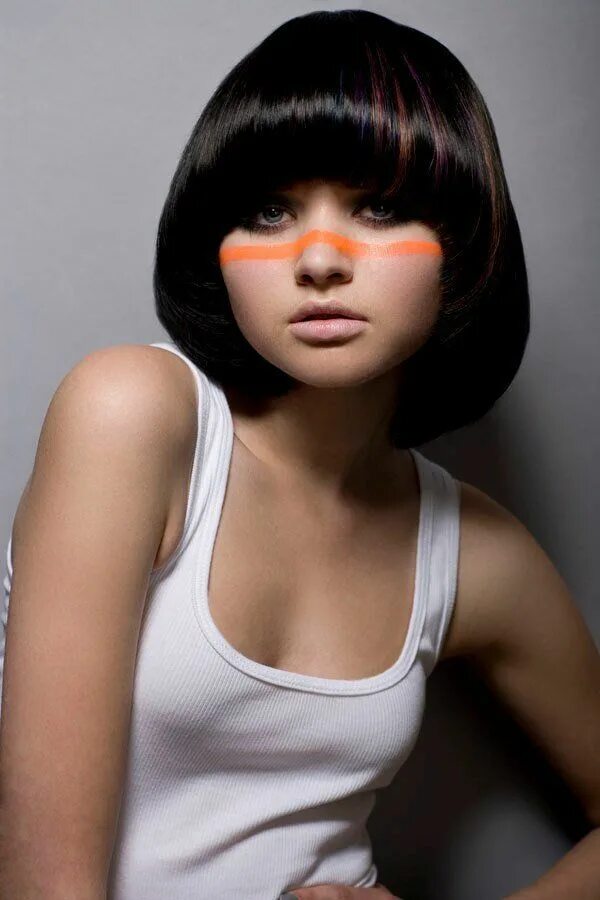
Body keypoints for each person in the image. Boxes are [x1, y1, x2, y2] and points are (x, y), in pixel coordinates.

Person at [2, 9, 599, 900]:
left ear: (462, 248)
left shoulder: (474, 550)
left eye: (380, 207)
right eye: (270, 212)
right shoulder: (133, 416)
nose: (319, 258)